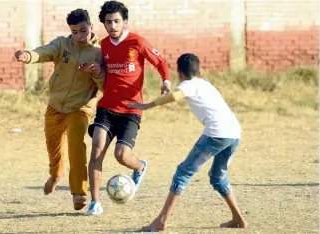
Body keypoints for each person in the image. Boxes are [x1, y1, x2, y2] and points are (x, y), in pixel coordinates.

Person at [127, 53, 248, 231]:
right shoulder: (204, 83)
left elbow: (177, 95)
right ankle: (238, 219)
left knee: (183, 173)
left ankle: (161, 221)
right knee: (218, 177)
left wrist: (146, 106)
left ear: (180, 73)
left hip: (216, 133)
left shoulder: (187, 84)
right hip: (234, 133)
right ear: (199, 72)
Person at [86, 0, 172, 215]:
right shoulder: (103, 46)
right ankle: (95, 203)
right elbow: (100, 72)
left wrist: (166, 81)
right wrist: (95, 70)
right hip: (106, 107)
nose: (113, 26)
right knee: (96, 149)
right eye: (108, 22)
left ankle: (140, 167)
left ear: (125, 21)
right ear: (103, 24)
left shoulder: (137, 42)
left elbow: (160, 63)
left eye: (116, 21)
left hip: (131, 109)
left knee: (122, 155)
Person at [14, 9, 104, 211]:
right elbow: (43, 52)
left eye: (83, 30)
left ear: (90, 26)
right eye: (75, 32)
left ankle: (79, 193)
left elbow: (106, 86)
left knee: (76, 147)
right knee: (53, 151)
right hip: (55, 106)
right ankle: (56, 174)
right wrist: (27, 55)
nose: (80, 36)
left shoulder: (100, 53)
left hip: (80, 108)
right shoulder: (62, 44)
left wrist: (97, 72)